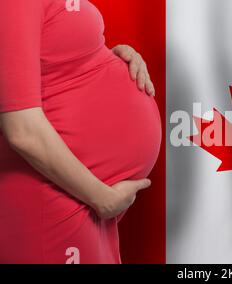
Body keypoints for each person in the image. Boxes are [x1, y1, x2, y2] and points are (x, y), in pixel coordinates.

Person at [0, 0, 162, 264]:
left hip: (80, 194)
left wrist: (105, 56)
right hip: (57, 195)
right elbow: (21, 129)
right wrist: (102, 198)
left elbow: (49, 61)